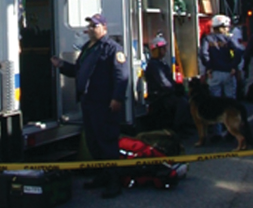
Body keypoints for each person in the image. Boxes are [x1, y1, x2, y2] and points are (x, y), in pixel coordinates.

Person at [51, 14, 129, 198]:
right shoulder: (88, 48)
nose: (91, 29)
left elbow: (122, 76)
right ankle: (102, 176)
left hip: (105, 104)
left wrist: (117, 98)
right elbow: (78, 71)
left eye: (94, 26)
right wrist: (61, 65)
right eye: (90, 26)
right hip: (89, 102)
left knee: (106, 142)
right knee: (93, 143)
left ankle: (114, 182)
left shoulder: (112, 49)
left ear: (104, 28)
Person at [145, 33, 189, 132]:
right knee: (182, 103)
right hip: (159, 96)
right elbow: (163, 83)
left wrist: (177, 87)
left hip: (166, 94)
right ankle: (177, 128)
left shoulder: (161, 63)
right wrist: (174, 89)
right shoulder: (154, 65)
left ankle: (184, 126)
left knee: (185, 98)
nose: (165, 51)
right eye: (163, 48)